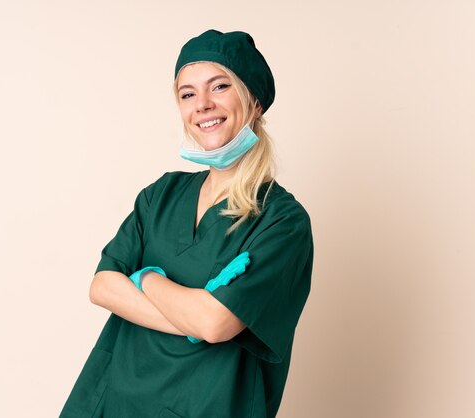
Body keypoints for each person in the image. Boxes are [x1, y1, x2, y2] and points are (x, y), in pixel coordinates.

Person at [60, 29, 314, 418]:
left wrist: (145, 277)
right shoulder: (161, 194)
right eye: (188, 94)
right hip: (113, 401)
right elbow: (103, 286)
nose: (203, 105)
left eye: (220, 86)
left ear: (255, 101)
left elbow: (213, 323)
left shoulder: (282, 222)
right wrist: (191, 312)